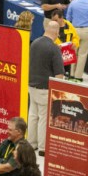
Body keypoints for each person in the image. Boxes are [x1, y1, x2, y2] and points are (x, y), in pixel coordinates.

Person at [28, 21, 64, 155]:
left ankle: (31, 143)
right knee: (44, 117)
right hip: (45, 88)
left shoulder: (35, 43)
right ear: (56, 32)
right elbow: (59, 74)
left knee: (33, 115)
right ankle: (43, 147)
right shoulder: (54, 48)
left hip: (32, 84)